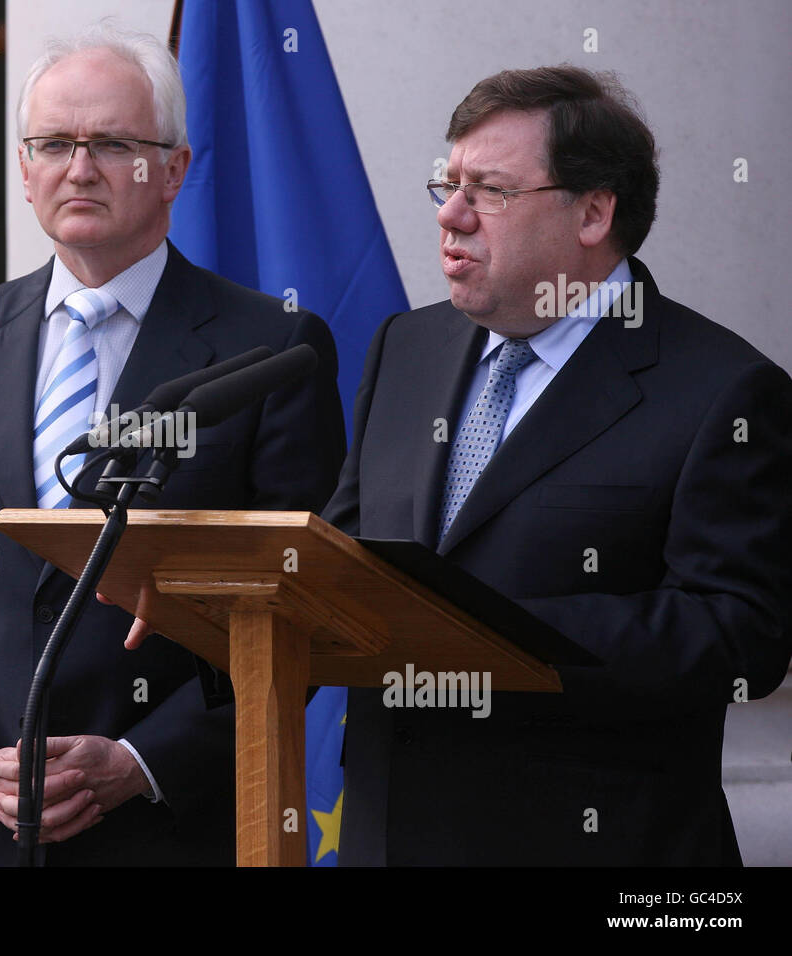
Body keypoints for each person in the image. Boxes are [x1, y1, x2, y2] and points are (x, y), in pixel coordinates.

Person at [0, 24, 345, 866]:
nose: (78, 169)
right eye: (53, 144)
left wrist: (144, 761)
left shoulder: (271, 350)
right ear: (24, 168)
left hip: (168, 832)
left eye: (112, 144)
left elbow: (301, 609)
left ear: (175, 170)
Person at [318, 66, 792, 864]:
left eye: (490, 191)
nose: (452, 216)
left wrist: (490, 634)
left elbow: (740, 636)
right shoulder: (406, 346)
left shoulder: (723, 390)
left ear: (594, 212)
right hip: (391, 831)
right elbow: (345, 554)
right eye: (447, 184)